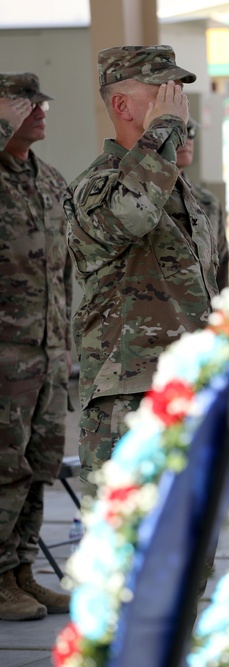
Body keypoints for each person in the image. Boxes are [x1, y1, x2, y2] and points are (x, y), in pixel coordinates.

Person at [65, 45, 221, 498]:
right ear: (121, 105)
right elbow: (129, 215)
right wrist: (164, 131)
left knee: (193, 549)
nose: (177, 102)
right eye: (162, 90)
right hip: (130, 399)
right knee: (133, 556)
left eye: (179, 91)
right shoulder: (95, 185)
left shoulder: (179, 189)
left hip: (189, 393)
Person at [0, 72, 73, 621]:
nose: (41, 111)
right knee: (4, 467)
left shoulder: (49, 180)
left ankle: (22, 567)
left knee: (39, 464)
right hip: (5, 355)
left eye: (41, 101)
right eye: (27, 104)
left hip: (48, 349)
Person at [177, 118, 229, 289]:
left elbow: (221, 271)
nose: (186, 140)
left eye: (190, 131)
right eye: (176, 132)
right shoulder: (139, 203)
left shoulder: (209, 203)